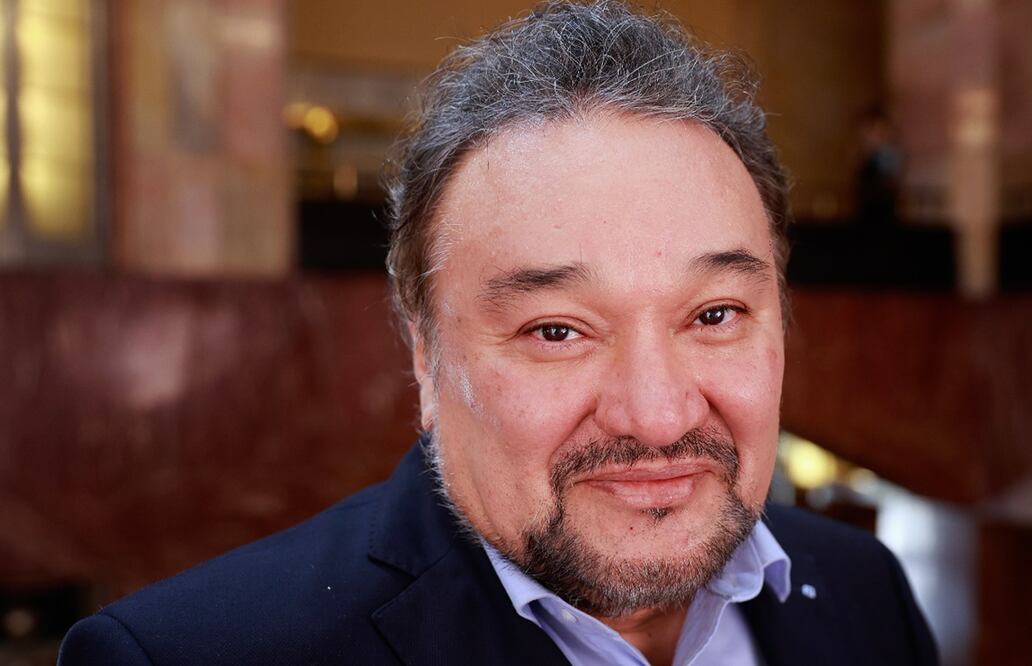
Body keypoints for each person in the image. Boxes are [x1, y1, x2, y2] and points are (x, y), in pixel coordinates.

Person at [59, 2, 938, 664]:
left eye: (713, 315)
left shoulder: (864, 591)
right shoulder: (187, 656)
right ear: (424, 354)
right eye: (556, 330)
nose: (658, 415)